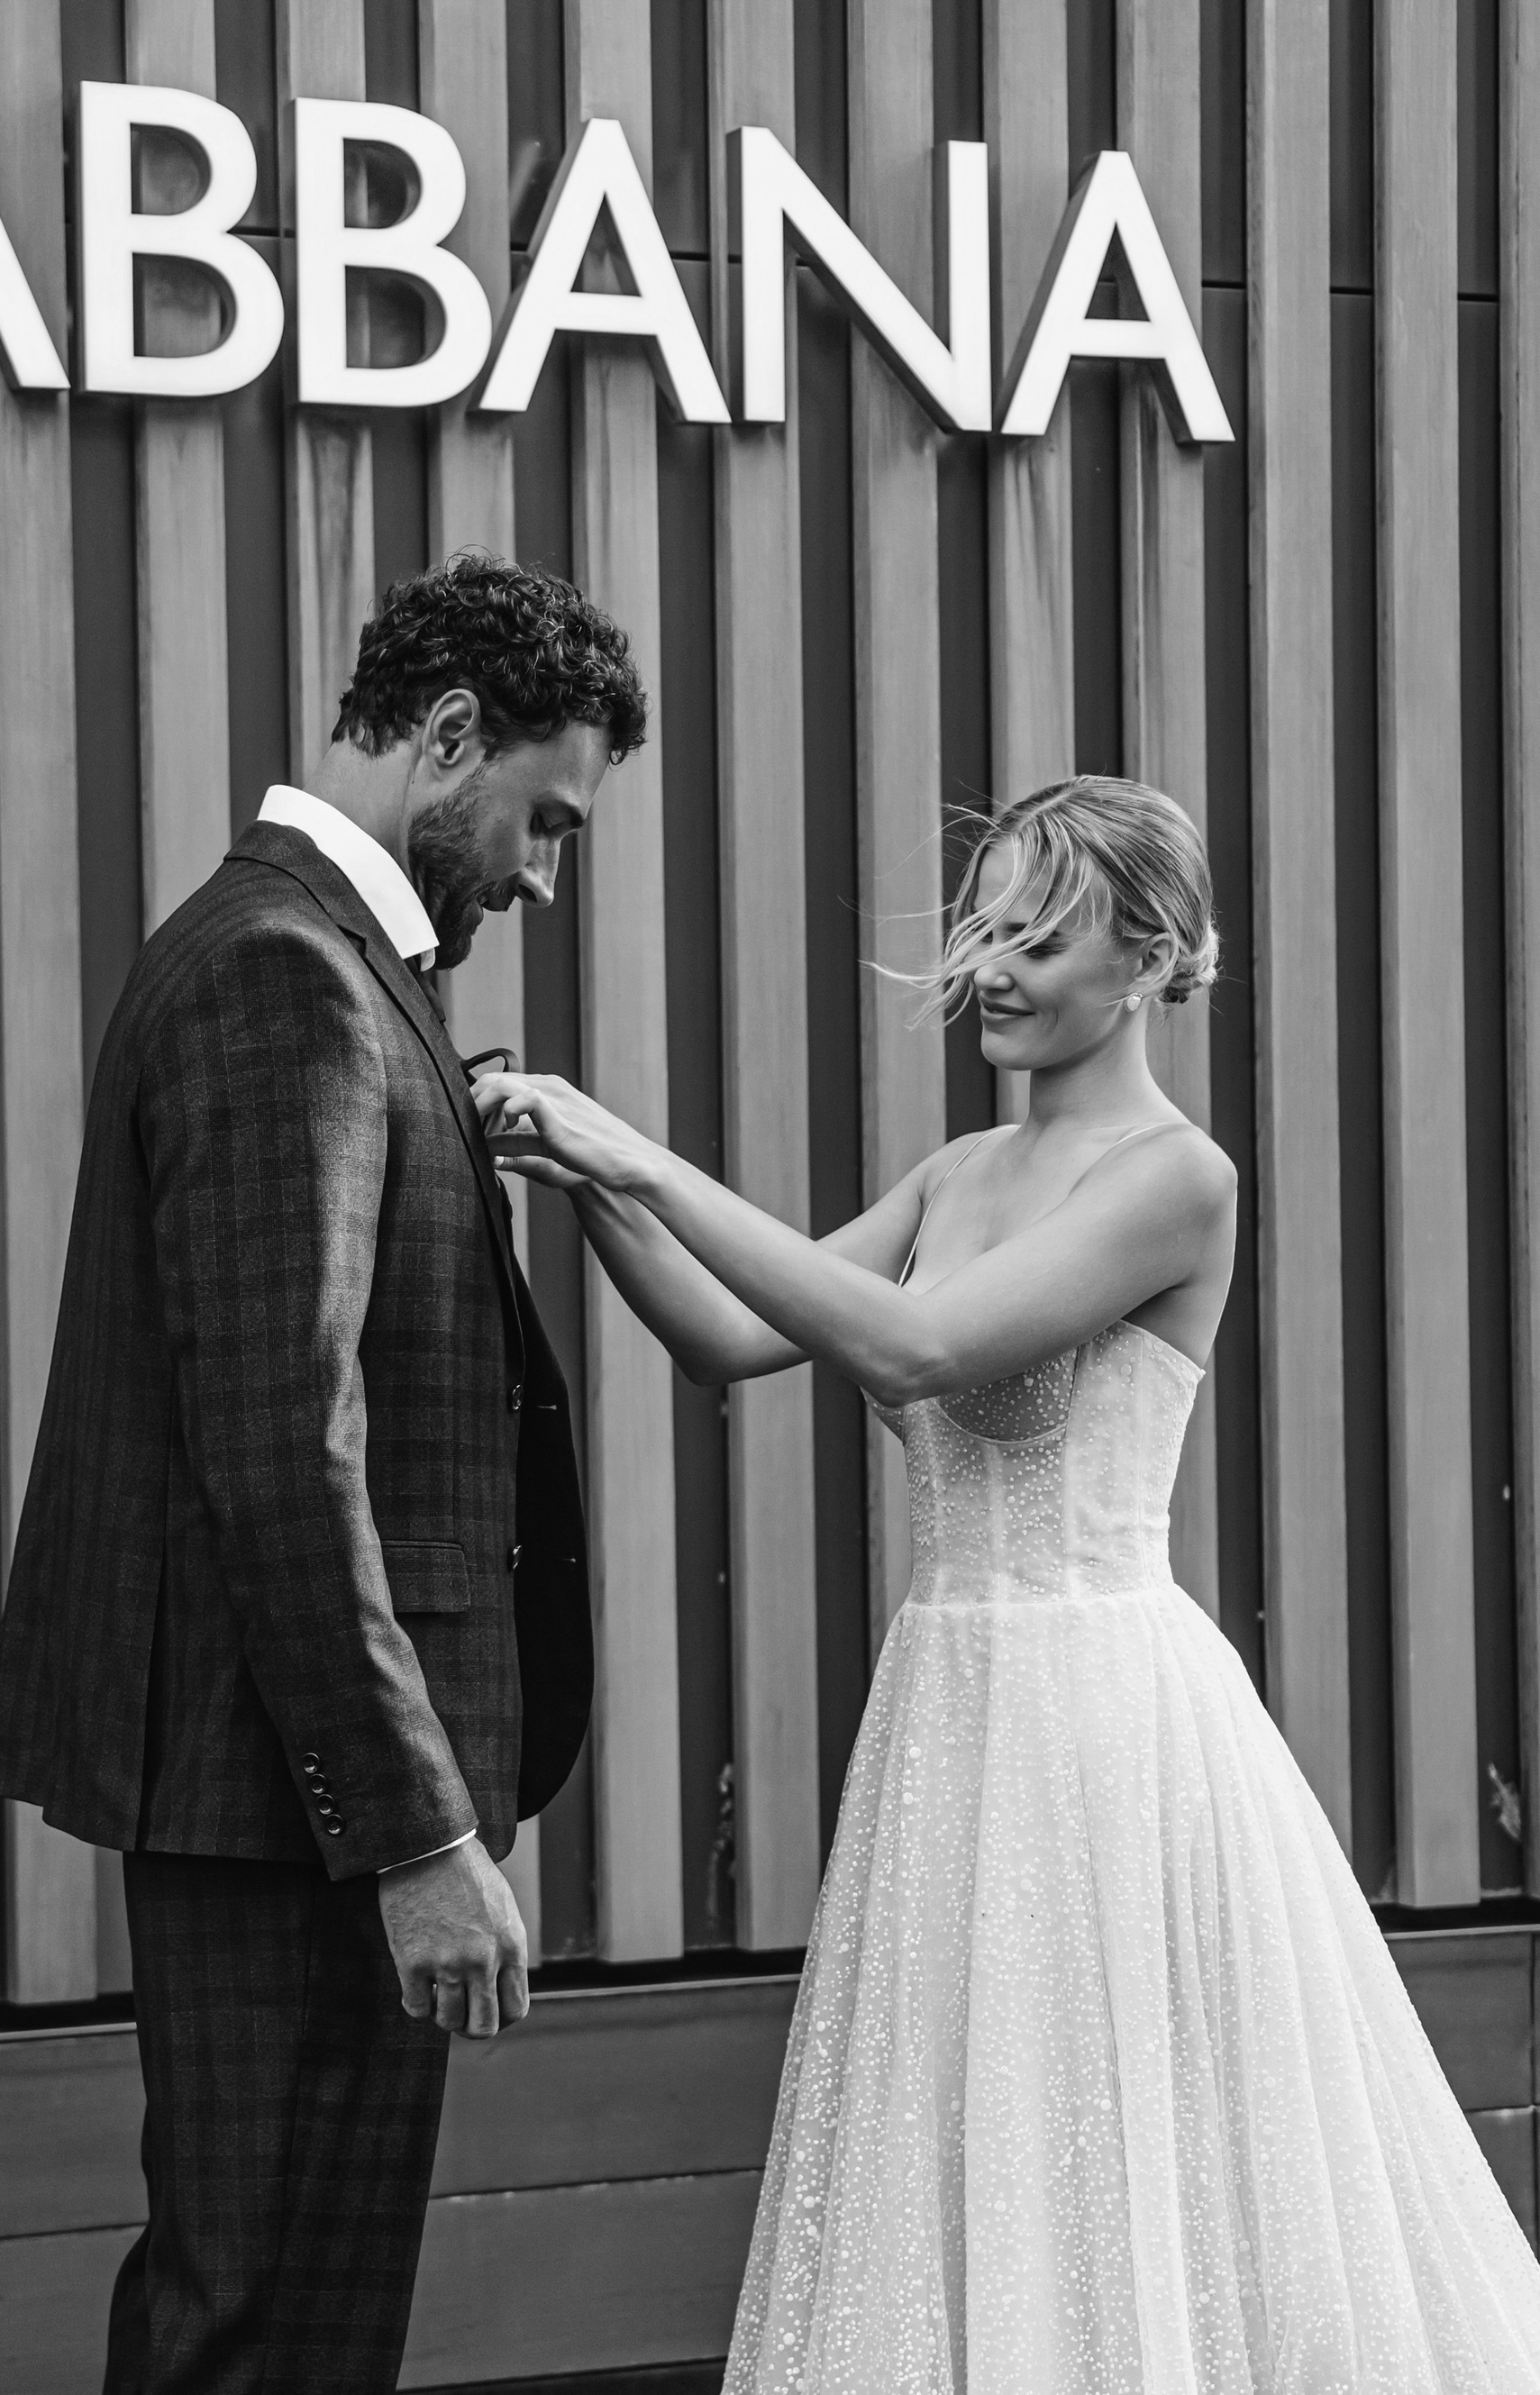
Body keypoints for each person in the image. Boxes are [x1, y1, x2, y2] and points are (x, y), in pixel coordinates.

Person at [475, 775, 1540, 2391]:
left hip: (1102, 1719)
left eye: (1036, 939)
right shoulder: (957, 1171)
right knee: (967, 2125)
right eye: (982, 930)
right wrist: (591, 1185)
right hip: (947, 1711)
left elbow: (914, 1346)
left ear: (1152, 958)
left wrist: (639, 1150)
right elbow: (726, 1337)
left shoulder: (1177, 1179)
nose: (986, 969)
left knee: (1113, 2125)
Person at [0, 554, 644, 2394]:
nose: (545, 875)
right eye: (546, 820)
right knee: (265, 2328)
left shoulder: (322, 961)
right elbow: (283, 1437)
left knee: (292, 2322)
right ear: (451, 735)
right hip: (299, 1811)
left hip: (298, 1795)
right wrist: (419, 1834)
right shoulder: (288, 974)